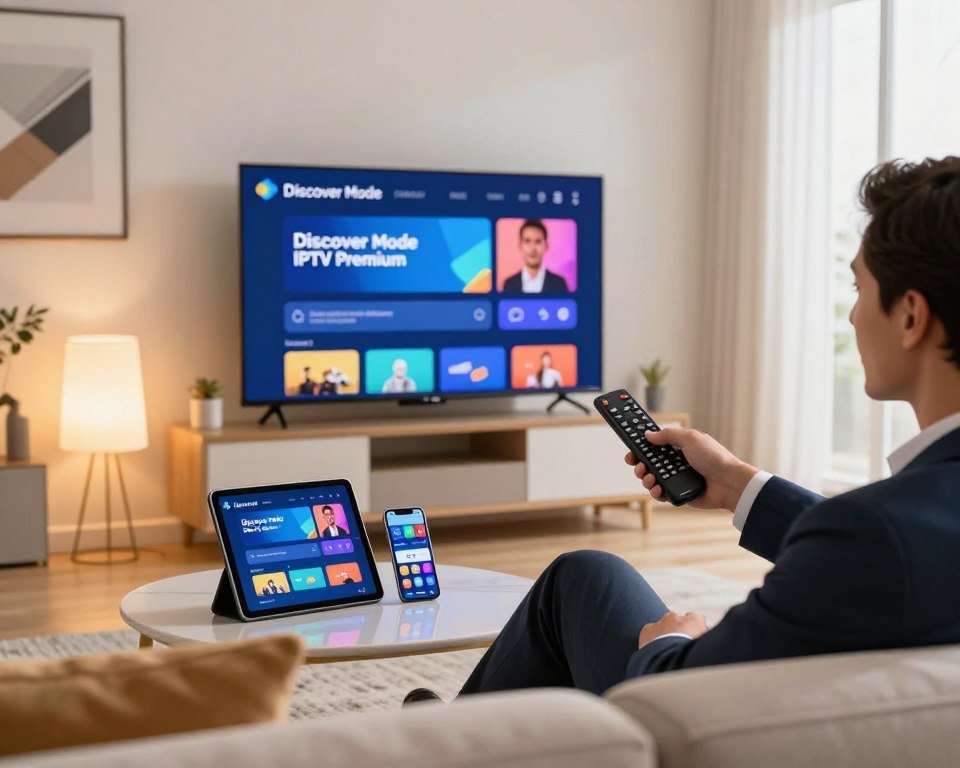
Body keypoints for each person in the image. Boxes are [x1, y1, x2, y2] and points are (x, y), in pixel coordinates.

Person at [403, 157, 960, 705]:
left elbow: (681, 688)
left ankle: (445, 747)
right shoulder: (900, 528)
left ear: (911, 316)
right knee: (590, 572)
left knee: (576, 580)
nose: (852, 316)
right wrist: (741, 483)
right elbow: (870, 555)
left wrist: (670, 638)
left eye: (859, 290)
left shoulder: (875, 533)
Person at [502, 220, 570, 294]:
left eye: (538, 242)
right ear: (520, 245)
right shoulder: (509, 285)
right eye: (527, 241)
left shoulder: (559, 284)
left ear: (546, 246)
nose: (533, 248)